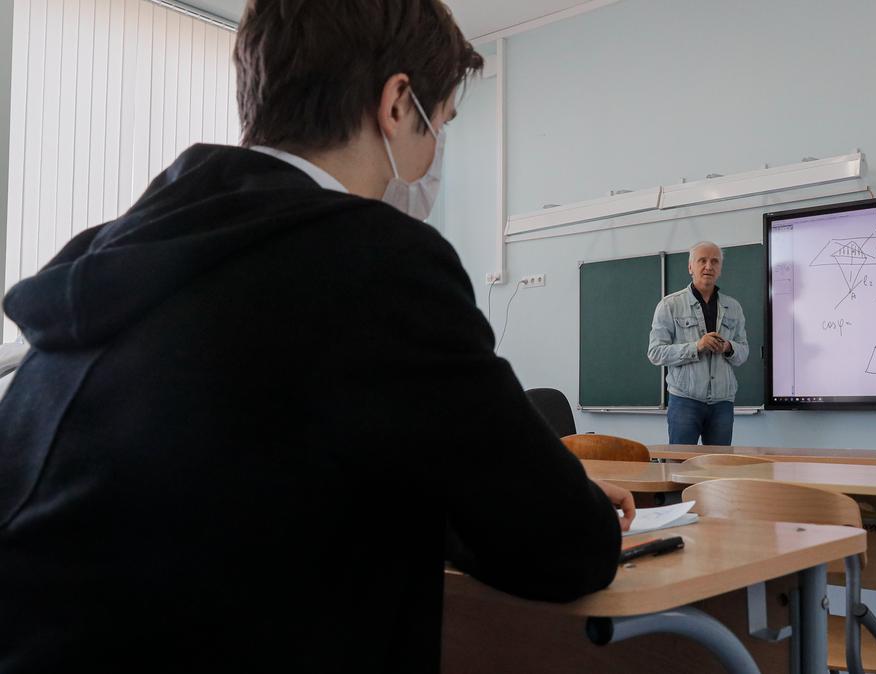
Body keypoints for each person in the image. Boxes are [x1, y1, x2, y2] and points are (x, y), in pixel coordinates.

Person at [0, 1, 632, 672]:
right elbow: (567, 547)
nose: (436, 149)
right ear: (397, 105)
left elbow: (260, 483)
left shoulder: (117, 254)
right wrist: (569, 502)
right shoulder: (374, 263)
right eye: (442, 122)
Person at [648, 241, 749, 445]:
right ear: (690, 267)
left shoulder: (734, 307)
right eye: (702, 261)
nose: (708, 266)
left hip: (722, 403)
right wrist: (697, 347)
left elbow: (744, 352)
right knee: (681, 462)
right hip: (684, 400)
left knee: (718, 463)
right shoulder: (670, 305)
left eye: (714, 261)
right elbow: (655, 353)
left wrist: (728, 347)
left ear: (720, 268)